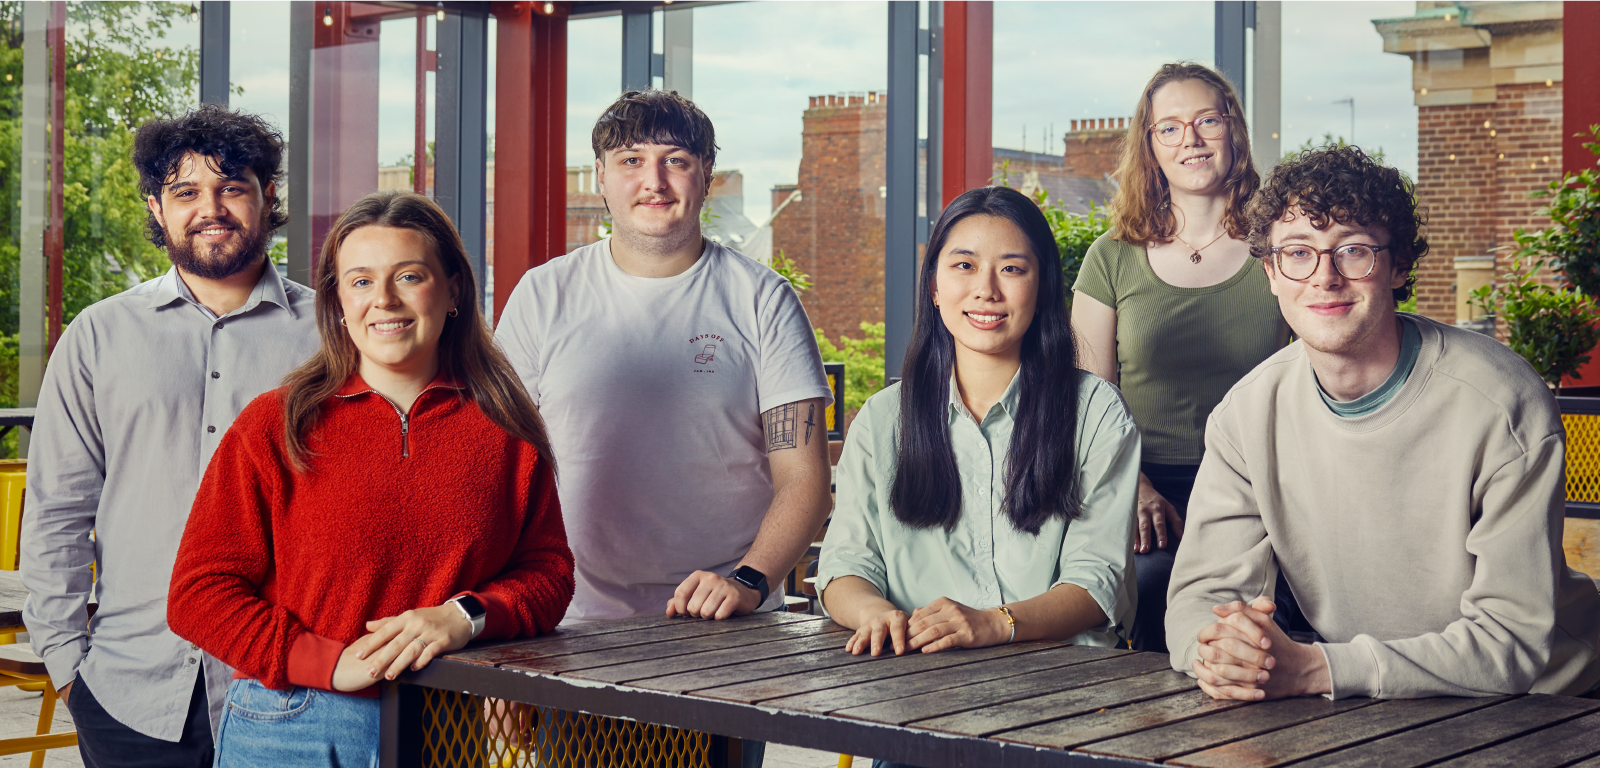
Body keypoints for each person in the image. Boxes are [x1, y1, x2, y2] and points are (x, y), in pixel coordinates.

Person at [1167, 145, 1600, 701]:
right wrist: (1222, 652)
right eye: (1298, 252)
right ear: (1272, 272)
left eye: (1353, 251)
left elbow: (1511, 641)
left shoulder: (1501, 402)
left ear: (1398, 267)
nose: (1323, 277)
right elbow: (1200, 595)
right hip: (1375, 701)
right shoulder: (1246, 416)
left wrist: (1317, 670)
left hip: (1554, 701)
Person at [166, 190, 574, 763]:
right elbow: (197, 594)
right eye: (359, 281)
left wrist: (466, 616)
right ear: (336, 300)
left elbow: (548, 573)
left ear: (453, 289)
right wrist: (325, 661)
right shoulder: (276, 424)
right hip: (293, 724)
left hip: (452, 724)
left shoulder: (506, 427)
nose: (383, 300)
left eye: (408, 276)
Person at [19, 105, 319, 767]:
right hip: (131, 695)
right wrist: (69, 669)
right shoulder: (97, 337)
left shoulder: (330, 337)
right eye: (186, 192)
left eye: (231, 187)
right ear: (157, 207)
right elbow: (57, 513)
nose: (209, 208)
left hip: (291, 692)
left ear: (268, 197)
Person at [494, 89, 833, 627]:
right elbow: (500, 464)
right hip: (567, 615)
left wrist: (749, 580)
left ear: (706, 176)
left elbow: (804, 479)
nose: (654, 181)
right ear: (601, 177)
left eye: (675, 161)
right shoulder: (543, 295)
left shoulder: (763, 299)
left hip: (725, 622)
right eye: (631, 161)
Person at [818, 185, 1138, 663]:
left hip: (1061, 682)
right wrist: (873, 612)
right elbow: (845, 565)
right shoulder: (883, 419)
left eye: (1012, 269)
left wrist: (994, 623)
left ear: (1043, 286)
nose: (986, 290)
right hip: (913, 678)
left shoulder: (1096, 412)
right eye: (964, 266)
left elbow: (1097, 582)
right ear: (934, 286)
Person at [1071, 62, 1288, 653]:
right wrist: (1134, 486)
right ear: (1150, 147)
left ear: (1234, 132)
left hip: (1261, 485)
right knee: (1149, 592)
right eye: (1169, 128)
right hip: (1147, 491)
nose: (1189, 139)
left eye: (1206, 121)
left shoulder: (1281, 248)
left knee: (1277, 617)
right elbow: (1088, 398)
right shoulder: (1112, 258)